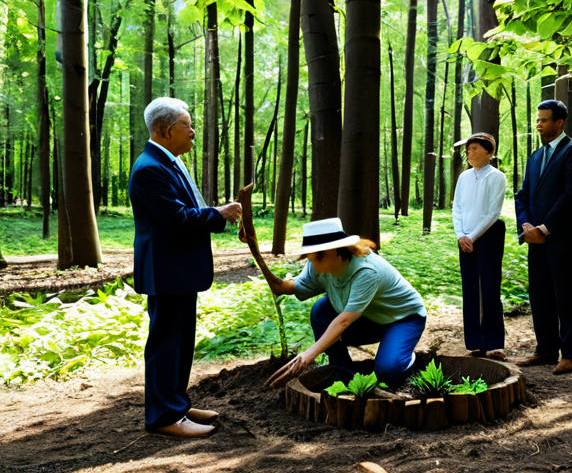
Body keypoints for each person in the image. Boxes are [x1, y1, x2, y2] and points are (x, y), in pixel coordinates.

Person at [129, 97, 242, 438]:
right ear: (166, 130)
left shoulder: (169, 161)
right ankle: (164, 416)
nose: (193, 132)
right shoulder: (150, 169)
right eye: (186, 125)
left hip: (178, 269)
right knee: (166, 343)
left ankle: (176, 402)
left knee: (180, 342)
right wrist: (218, 214)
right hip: (166, 270)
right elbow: (176, 219)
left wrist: (214, 214)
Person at [259, 218, 427, 388]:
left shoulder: (366, 271)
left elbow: (344, 320)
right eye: (310, 257)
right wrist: (264, 264)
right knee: (320, 310)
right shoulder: (318, 266)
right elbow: (292, 287)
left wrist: (309, 354)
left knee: (388, 372)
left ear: (338, 250)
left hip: (403, 319)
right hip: (368, 317)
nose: (312, 263)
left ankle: (405, 358)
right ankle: (344, 373)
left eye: (319, 255)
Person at [514, 100, 572, 375]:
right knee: (540, 294)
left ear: (559, 122)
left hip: (562, 238)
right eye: (537, 120)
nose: (538, 124)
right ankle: (546, 349)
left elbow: (571, 195)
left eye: (544, 120)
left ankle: (571, 354)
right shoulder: (535, 156)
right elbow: (523, 195)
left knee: (566, 296)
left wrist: (545, 229)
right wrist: (525, 225)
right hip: (534, 238)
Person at [451, 132, 507, 360]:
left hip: (489, 235)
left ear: (489, 152)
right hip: (464, 237)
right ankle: (475, 341)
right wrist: (460, 235)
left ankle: (494, 343)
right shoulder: (464, 177)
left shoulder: (497, 177)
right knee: (470, 288)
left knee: (490, 288)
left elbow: (493, 212)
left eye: (475, 148)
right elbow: (457, 208)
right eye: (468, 149)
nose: (469, 152)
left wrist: (471, 237)